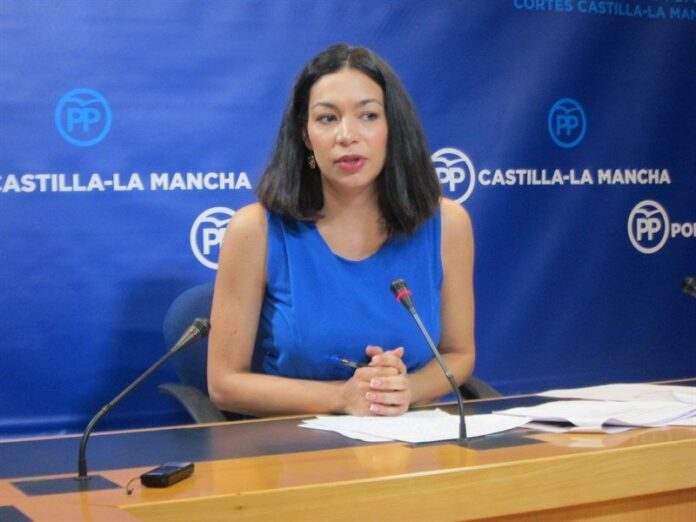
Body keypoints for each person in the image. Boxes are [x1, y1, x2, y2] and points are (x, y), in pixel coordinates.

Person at [208, 44, 475, 417]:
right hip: (293, 442)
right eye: (327, 118)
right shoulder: (255, 230)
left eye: (368, 115)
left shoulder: (448, 225)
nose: (347, 135)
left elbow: (458, 354)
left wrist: (404, 390)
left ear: (393, 127)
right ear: (305, 135)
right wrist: (342, 396)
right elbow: (224, 384)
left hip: (408, 438)